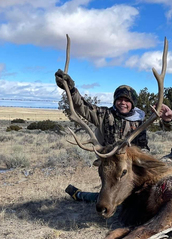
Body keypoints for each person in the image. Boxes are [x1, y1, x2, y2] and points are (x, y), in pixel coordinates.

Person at [55, 69, 149, 202]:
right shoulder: (104, 114)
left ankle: (80, 195)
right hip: (109, 164)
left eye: (127, 100)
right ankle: (81, 195)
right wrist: (71, 90)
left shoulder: (139, 122)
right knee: (112, 197)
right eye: (119, 99)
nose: (122, 102)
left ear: (132, 104)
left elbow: (143, 147)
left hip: (129, 165)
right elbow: (82, 106)